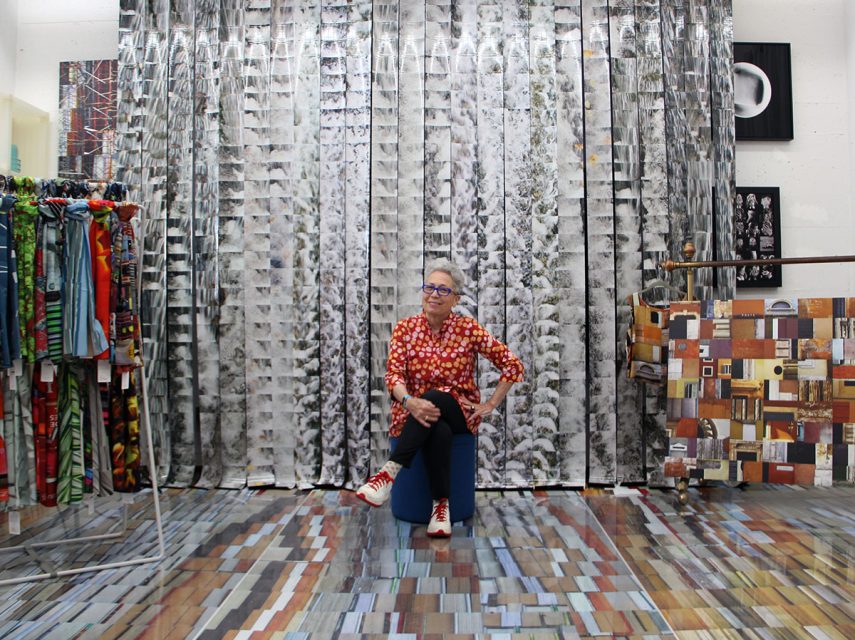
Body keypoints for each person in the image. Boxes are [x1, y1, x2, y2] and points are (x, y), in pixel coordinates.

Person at [356, 259, 524, 537]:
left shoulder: (468, 329)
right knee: (438, 429)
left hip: (459, 412)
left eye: (443, 290)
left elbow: (512, 365)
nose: (434, 294)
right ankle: (440, 509)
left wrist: (490, 404)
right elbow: (393, 375)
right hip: (412, 411)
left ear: (456, 299)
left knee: (438, 396)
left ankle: (387, 474)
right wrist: (409, 401)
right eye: (430, 287)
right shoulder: (405, 328)